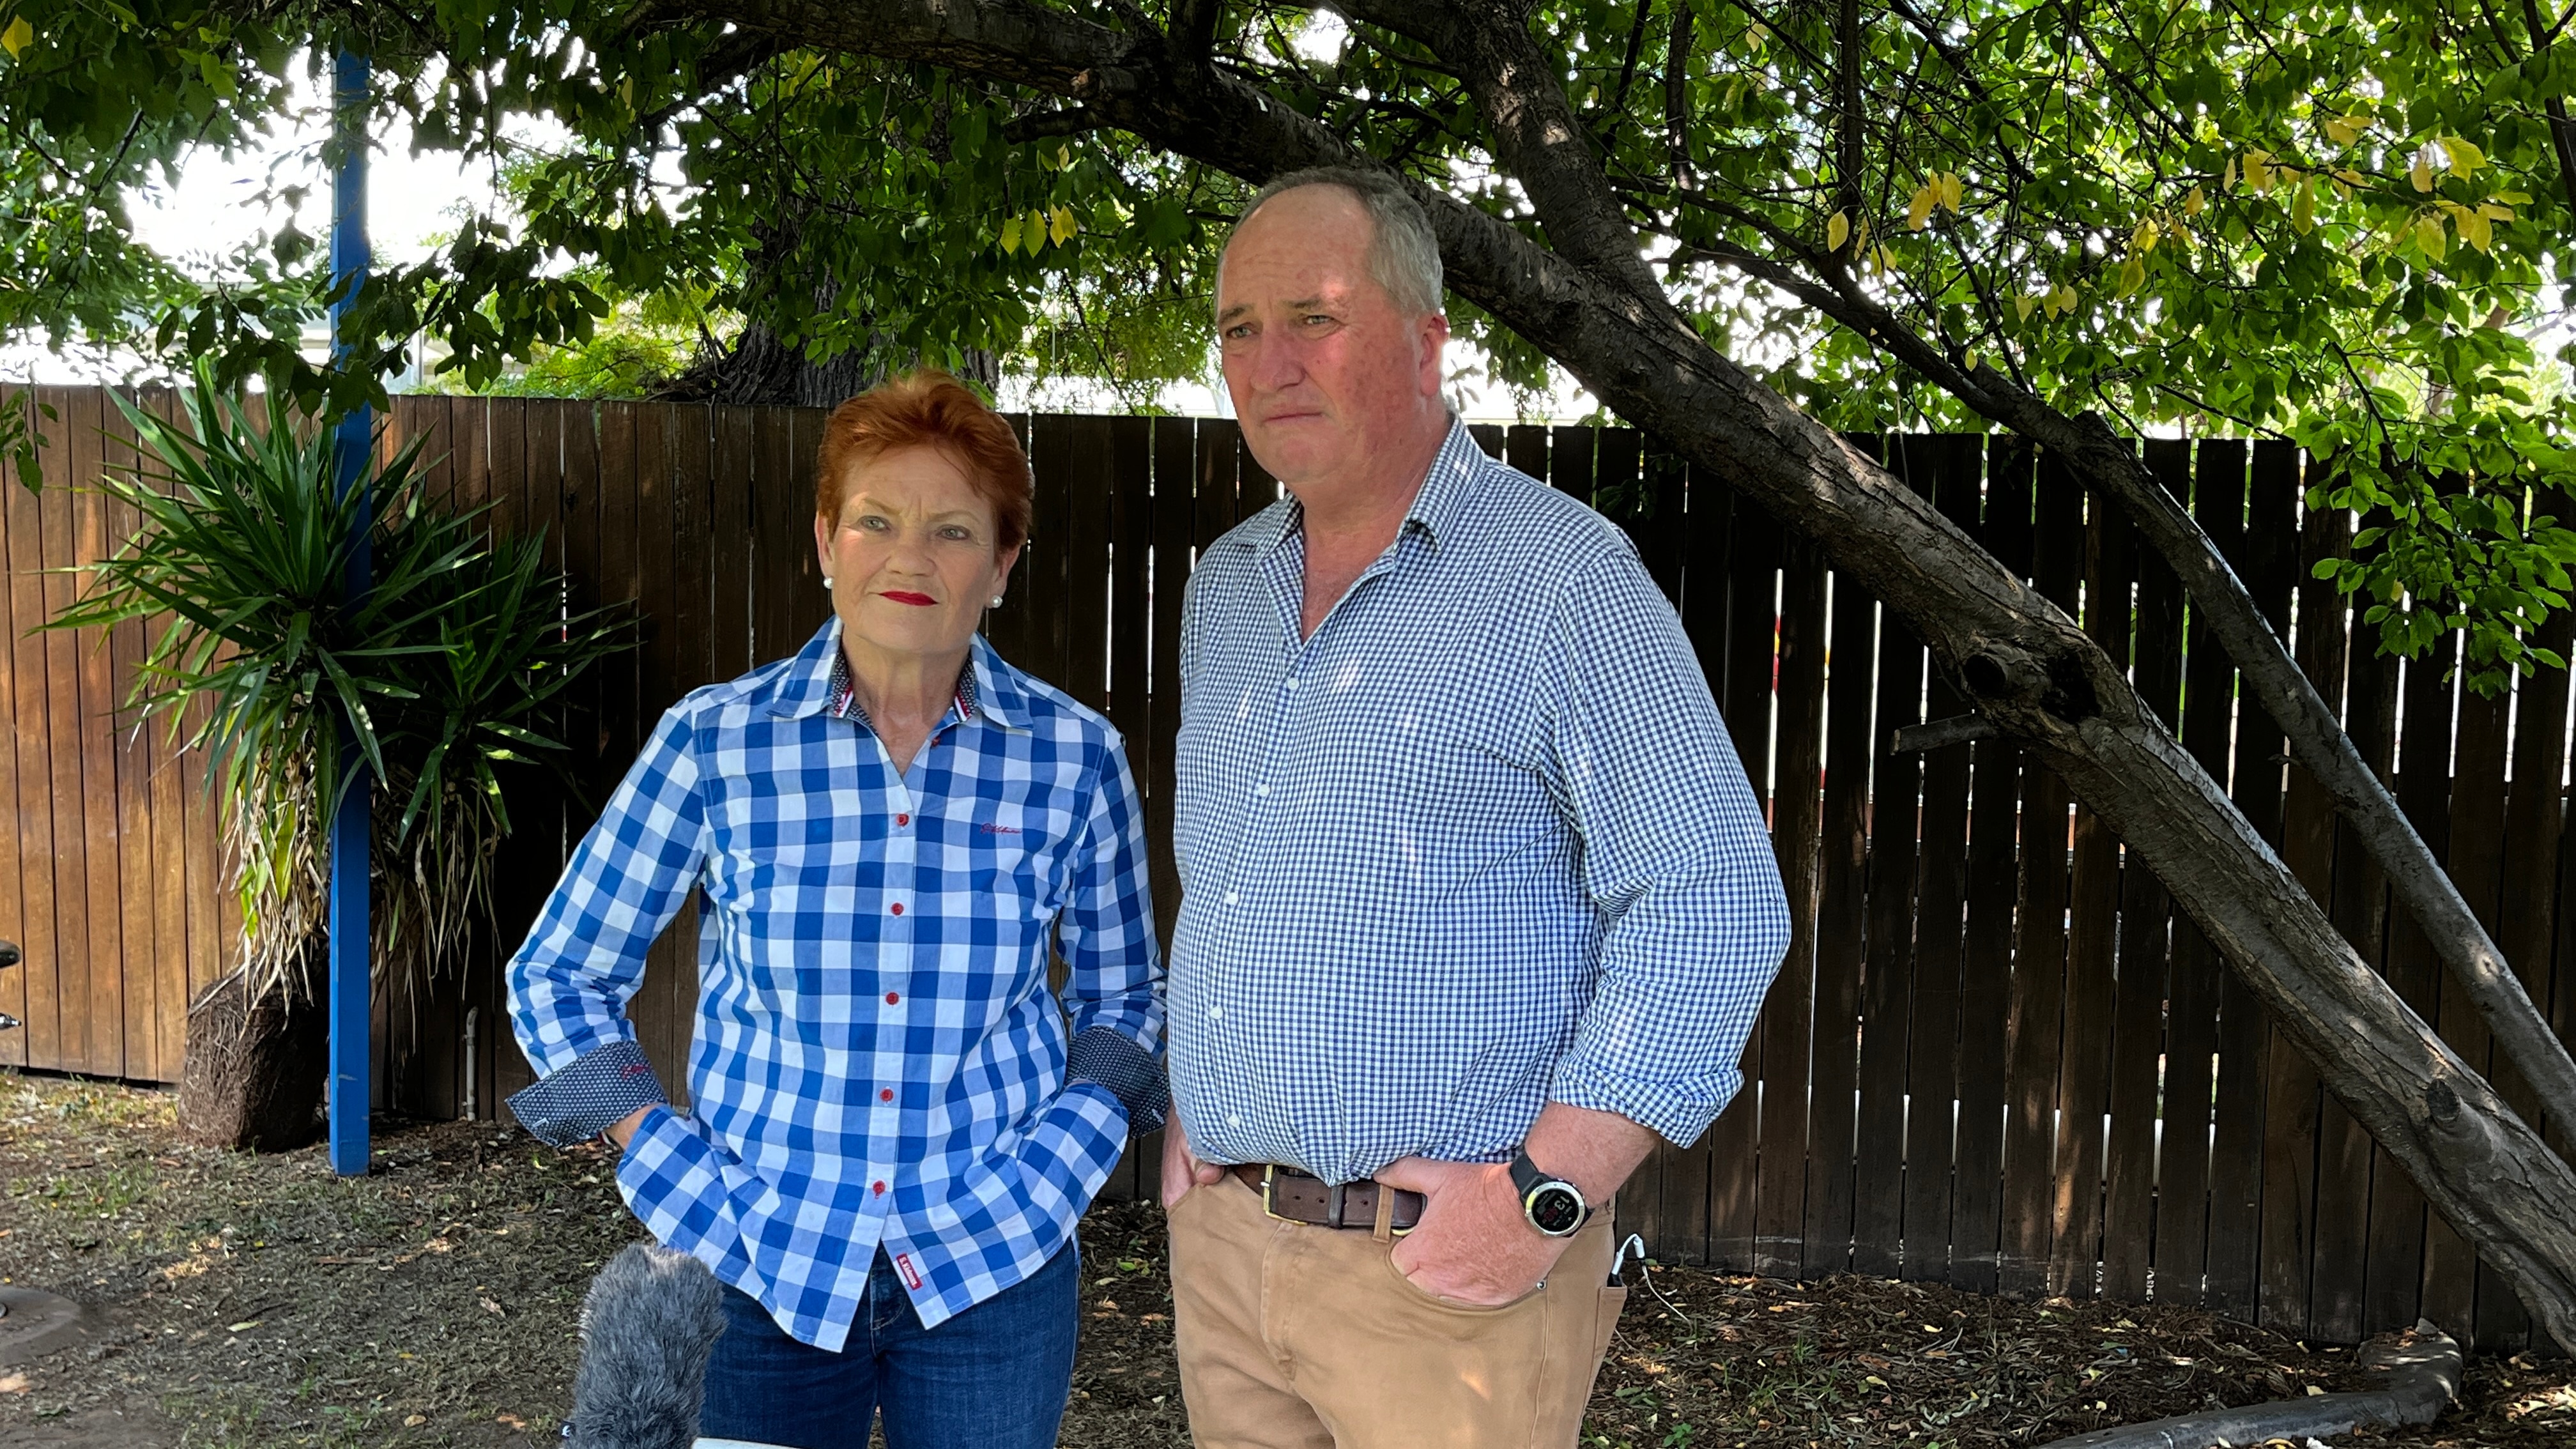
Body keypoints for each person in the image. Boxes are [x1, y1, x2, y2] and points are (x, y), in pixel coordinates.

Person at [1158, 167, 1793, 1449]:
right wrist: (1196, 1120)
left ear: (1428, 335)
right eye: (1238, 328)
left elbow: (1716, 902)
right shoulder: (1226, 587)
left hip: (1444, 1287)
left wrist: (1545, 1197)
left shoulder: (1563, 580)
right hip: (1229, 1257)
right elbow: (1240, 882)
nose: (1269, 361)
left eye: (1313, 316)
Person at [503, 371, 1165, 1449]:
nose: (911, 557)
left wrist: (1064, 1159)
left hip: (994, 1258)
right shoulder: (716, 743)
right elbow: (559, 973)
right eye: (877, 521)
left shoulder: (1075, 759)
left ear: (1000, 566)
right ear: (825, 542)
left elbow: (1126, 994)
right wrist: (658, 1154)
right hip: (755, 1258)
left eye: (954, 531)